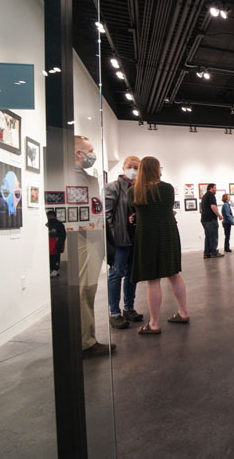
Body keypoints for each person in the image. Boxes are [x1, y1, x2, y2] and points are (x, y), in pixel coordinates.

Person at [128, 156, 190, 334]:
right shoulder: (167, 188)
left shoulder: (134, 191)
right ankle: (183, 312)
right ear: (157, 169)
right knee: (174, 274)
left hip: (147, 235)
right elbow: (166, 207)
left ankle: (154, 323)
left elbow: (135, 209)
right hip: (168, 234)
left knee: (153, 280)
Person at [74, 135, 115, 356]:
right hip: (84, 238)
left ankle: (85, 339)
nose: (92, 154)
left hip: (89, 237)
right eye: (89, 150)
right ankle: (85, 342)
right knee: (84, 289)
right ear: (79, 153)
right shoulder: (74, 176)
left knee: (87, 289)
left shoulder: (82, 176)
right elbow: (82, 211)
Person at [105, 155, 143, 329]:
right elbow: (107, 216)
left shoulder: (140, 189)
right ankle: (114, 312)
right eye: (131, 166)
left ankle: (129, 308)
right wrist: (114, 238)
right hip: (120, 240)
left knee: (132, 275)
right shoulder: (113, 187)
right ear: (124, 167)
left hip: (136, 238)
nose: (133, 170)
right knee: (116, 274)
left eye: (137, 167)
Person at [200, 183, 224, 258]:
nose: (216, 189)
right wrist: (219, 215)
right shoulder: (211, 195)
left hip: (204, 219)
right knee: (213, 236)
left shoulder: (204, 196)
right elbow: (213, 206)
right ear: (211, 188)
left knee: (208, 236)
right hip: (210, 219)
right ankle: (214, 252)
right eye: (215, 188)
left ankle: (207, 253)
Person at [46, 209, 66, 277]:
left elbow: (62, 235)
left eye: (48, 216)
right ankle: (52, 270)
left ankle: (55, 270)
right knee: (51, 258)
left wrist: (59, 244)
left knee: (55, 258)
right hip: (50, 244)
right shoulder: (48, 224)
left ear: (51, 216)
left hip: (55, 244)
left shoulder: (59, 224)